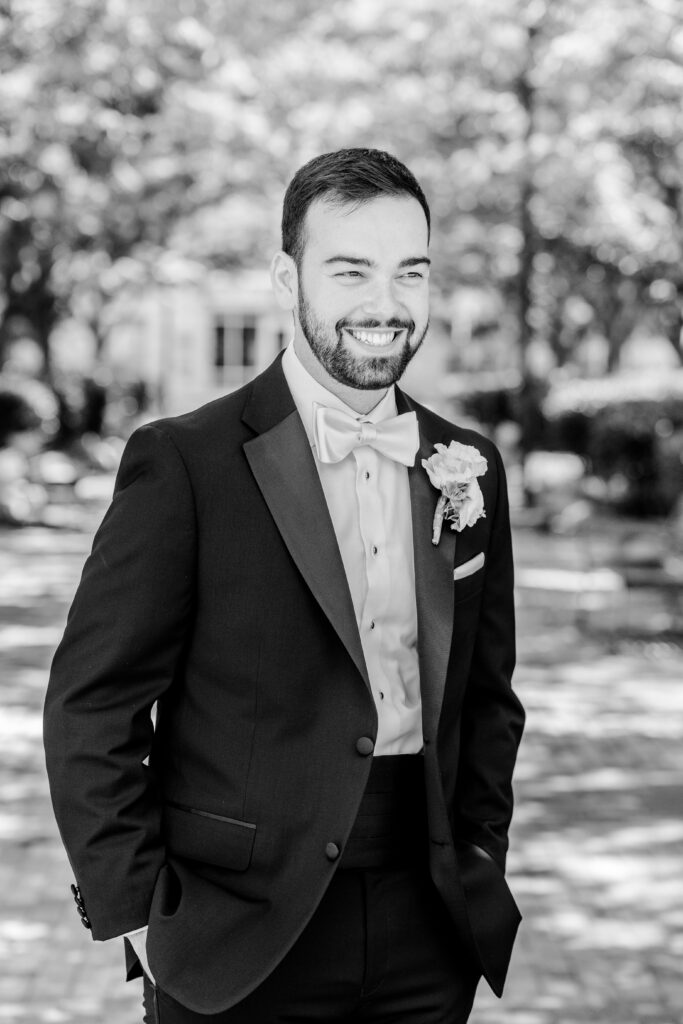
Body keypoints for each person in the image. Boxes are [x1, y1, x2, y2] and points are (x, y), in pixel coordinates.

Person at [44, 148, 525, 1023]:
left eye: (409, 273)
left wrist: (480, 853)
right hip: (236, 939)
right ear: (284, 277)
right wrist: (139, 917)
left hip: (428, 928)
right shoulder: (184, 462)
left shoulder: (468, 465)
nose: (385, 305)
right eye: (349, 271)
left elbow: (489, 699)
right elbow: (92, 706)